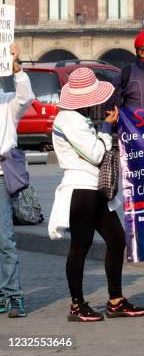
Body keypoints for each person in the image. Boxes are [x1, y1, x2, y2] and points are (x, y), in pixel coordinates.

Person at [49, 67, 144, 322]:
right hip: (81, 189)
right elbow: (96, 154)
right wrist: (106, 127)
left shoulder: (76, 117)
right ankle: (77, 304)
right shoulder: (69, 119)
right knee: (80, 247)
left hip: (94, 188)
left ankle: (115, 301)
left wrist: (104, 127)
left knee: (116, 240)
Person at [0, 44, 33, 318]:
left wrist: (16, 66)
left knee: (5, 239)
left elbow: (26, 96)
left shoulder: (6, 101)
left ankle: (13, 296)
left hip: (0, 177)